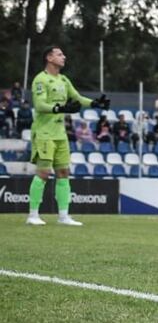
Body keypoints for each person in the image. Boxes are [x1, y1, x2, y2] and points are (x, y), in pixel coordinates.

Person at [26, 46, 110, 226]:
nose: (64, 57)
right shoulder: (41, 79)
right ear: (49, 58)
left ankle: (63, 216)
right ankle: (33, 215)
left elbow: (77, 98)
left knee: (63, 172)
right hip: (44, 133)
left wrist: (95, 104)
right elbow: (40, 105)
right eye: (59, 54)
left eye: (63, 54)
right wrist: (60, 108)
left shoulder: (64, 79)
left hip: (60, 134)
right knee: (43, 173)